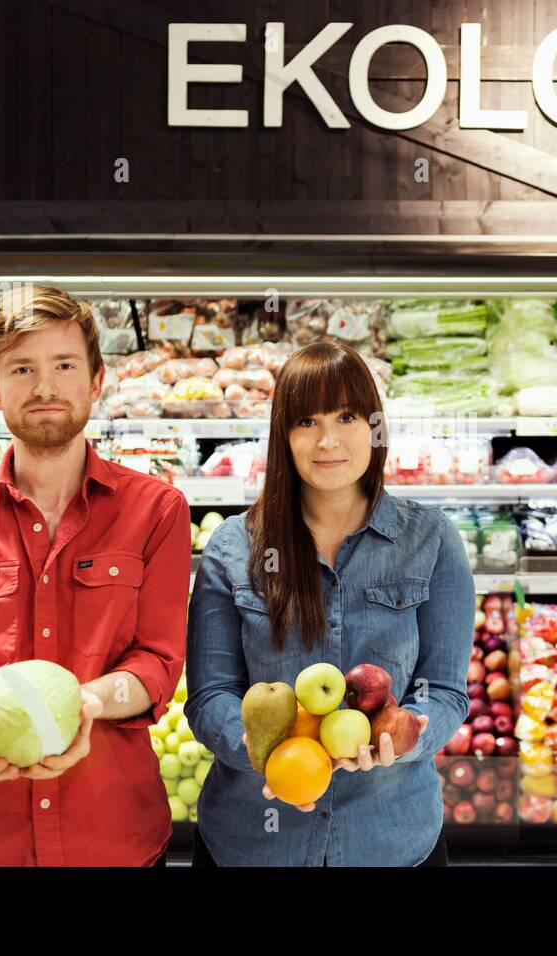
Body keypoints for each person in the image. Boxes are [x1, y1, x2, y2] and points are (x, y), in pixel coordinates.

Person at [0, 286, 190, 866]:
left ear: (96, 381)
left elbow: (157, 661)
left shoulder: (157, 511)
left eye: (64, 365)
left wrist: (83, 704)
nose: (45, 387)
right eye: (22, 369)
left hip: (113, 839)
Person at [186, 340, 474, 866]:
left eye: (346, 416)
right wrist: (270, 753)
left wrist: (406, 732)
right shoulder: (234, 549)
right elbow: (211, 698)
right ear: (283, 437)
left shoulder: (430, 540)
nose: (327, 440)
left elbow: (449, 692)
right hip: (255, 841)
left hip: (390, 839)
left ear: (374, 426)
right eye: (305, 421)